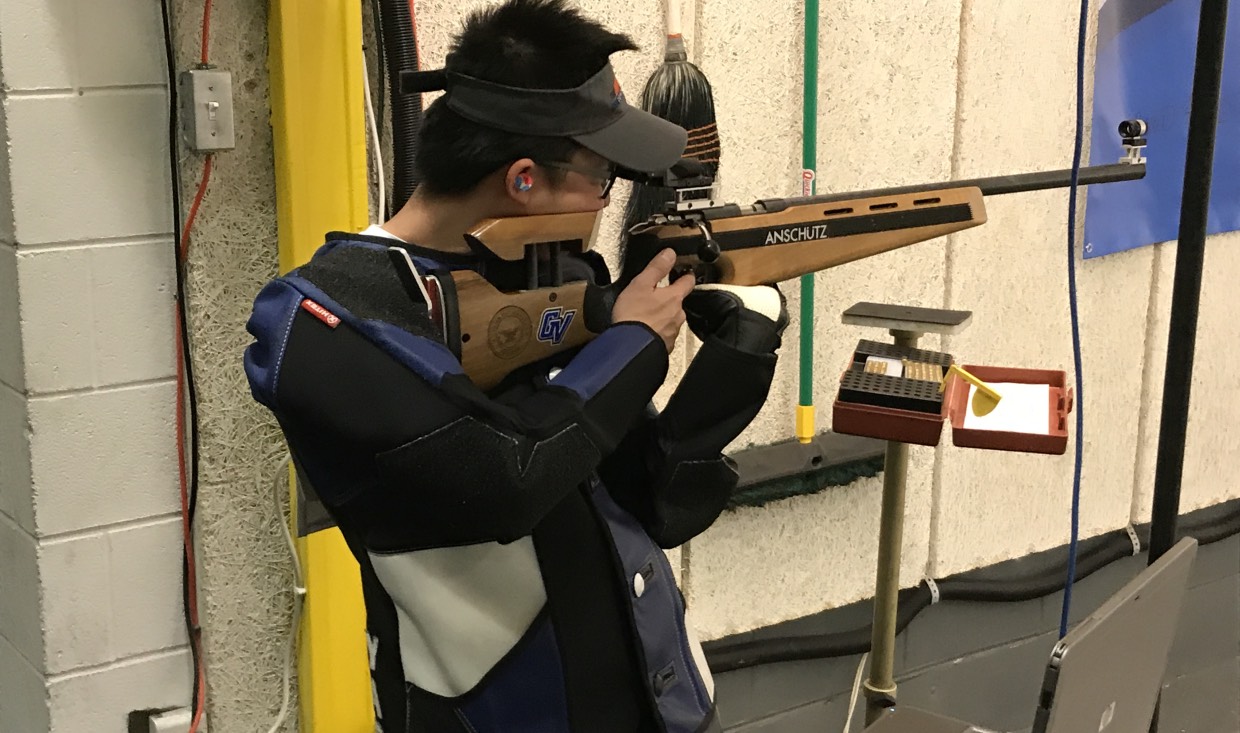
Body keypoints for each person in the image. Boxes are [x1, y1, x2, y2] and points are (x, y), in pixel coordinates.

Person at [242, 0, 787, 730]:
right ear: (524, 178)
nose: (606, 202)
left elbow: (654, 503)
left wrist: (736, 360)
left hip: (660, 702)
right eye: (602, 178)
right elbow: (507, 479)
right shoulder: (327, 321)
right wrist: (635, 341)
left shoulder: (544, 281)